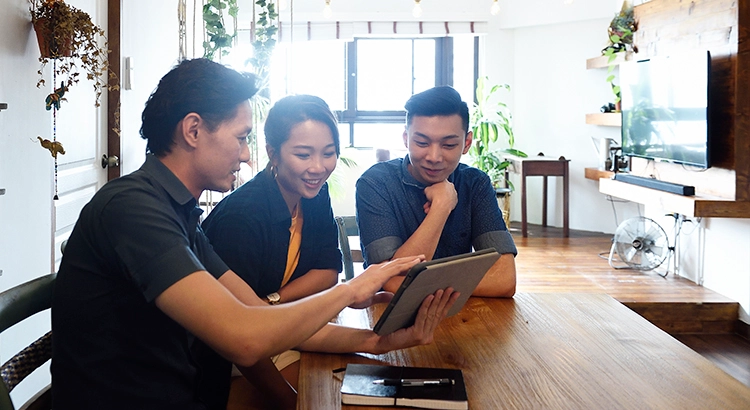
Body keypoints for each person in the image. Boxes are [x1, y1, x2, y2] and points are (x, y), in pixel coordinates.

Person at [51, 59, 459, 410]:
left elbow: (260, 319)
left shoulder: (176, 213)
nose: (247, 154)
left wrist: (375, 340)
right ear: (193, 131)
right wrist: (350, 292)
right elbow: (245, 341)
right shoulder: (134, 210)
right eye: (241, 137)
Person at [201, 95, 342, 396]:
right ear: (273, 154)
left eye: (328, 153)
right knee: (325, 394)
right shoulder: (242, 218)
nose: (318, 167)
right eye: (303, 155)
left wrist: (273, 302)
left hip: (282, 327)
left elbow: (328, 271)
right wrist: (290, 404)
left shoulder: (314, 195)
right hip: (226, 359)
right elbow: (238, 337)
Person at [355, 85, 517, 297]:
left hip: (459, 314)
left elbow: (504, 279)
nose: (434, 156)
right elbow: (388, 282)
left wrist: (419, 286)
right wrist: (441, 207)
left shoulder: (474, 183)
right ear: (406, 139)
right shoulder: (376, 184)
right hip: (390, 319)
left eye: (448, 145)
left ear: (467, 143)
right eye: (422, 142)